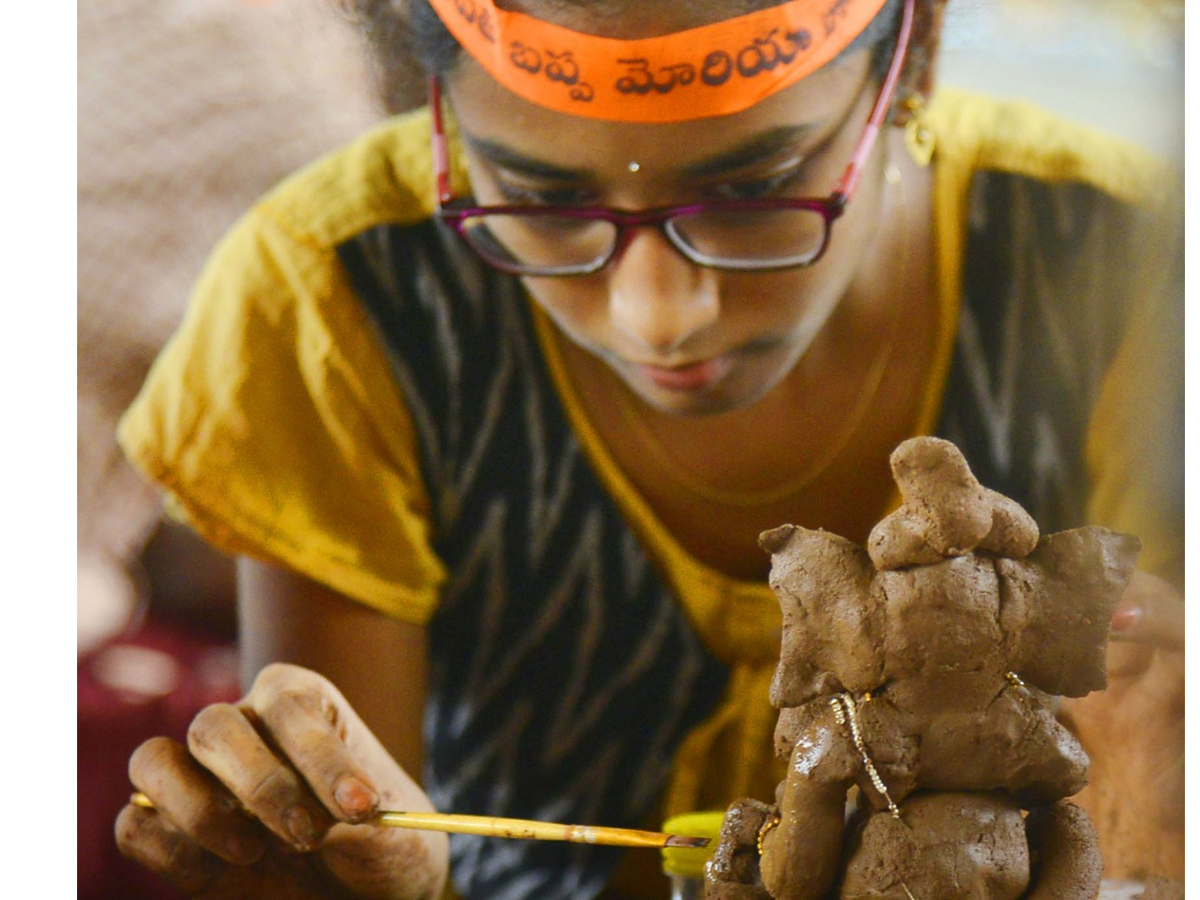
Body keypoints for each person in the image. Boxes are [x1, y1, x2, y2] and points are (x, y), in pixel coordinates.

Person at [112, 0, 1184, 898]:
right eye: (539, 200)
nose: (658, 316)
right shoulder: (336, 296)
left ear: (917, 57)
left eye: (757, 192)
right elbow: (346, 836)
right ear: (430, 108)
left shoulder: (1134, 273)